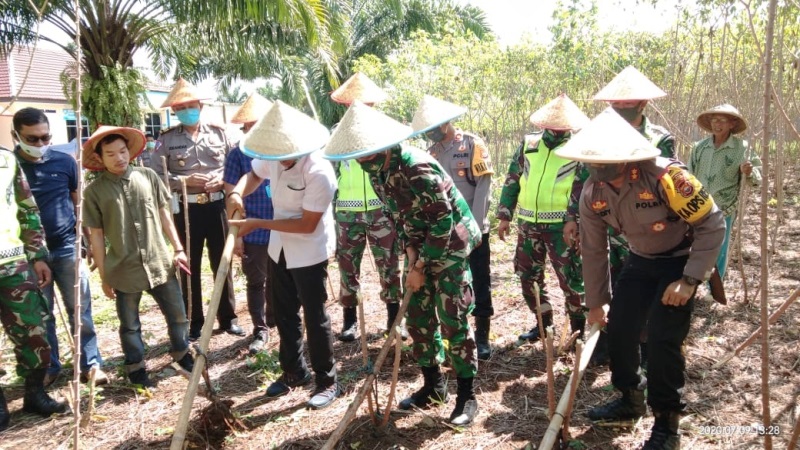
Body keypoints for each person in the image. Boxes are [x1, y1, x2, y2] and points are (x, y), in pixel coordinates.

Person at [556, 108, 725, 450]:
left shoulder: (666, 177)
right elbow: (593, 247)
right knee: (618, 329)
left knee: (663, 340)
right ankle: (629, 397)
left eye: (608, 163)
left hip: (679, 261)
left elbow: (712, 224)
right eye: (594, 163)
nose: (600, 171)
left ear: (627, 159)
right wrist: (597, 301)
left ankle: (667, 424)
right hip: (640, 260)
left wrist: (690, 281)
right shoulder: (592, 192)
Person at [324, 102, 482, 426]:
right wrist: (411, 255)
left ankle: (467, 396)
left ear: (382, 148)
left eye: (366, 155)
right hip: (421, 246)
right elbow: (401, 218)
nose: (362, 163)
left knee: (453, 318)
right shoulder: (378, 173)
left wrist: (421, 266)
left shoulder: (417, 167)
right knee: (419, 317)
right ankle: (434, 386)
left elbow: (443, 221)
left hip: (450, 245)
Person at [227, 101, 340, 410]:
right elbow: (253, 174)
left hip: (309, 250)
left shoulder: (319, 172)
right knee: (283, 312)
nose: (277, 159)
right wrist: (237, 192)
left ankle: (327, 381)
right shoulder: (275, 158)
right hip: (280, 248)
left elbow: (306, 224)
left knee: (314, 317)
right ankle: (293, 371)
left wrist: (258, 223)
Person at [82, 126, 194, 388]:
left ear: (129, 151)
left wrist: (178, 249)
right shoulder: (95, 192)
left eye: (122, 151)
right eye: (110, 154)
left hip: (159, 261)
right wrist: (104, 274)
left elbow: (165, 215)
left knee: (178, 315)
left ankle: (181, 353)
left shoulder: (148, 176)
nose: (118, 157)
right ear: (100, 158)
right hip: (123, 267)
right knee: (130, 325)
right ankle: (136, 366)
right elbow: (96, 236)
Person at [12, 107, 108, 387]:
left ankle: (90, 364)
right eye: (32, 139)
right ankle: (50, 367)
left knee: (80, 308)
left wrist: (87, 241)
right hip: (29, 255)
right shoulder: (9, 167)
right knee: (42, 314)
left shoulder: (65, 163)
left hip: (67, 246)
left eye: (46, 138)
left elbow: (79, 204)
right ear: (15, 135)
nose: (41, 145)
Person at [151, 78, 244, 340]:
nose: (186, 110)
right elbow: (156, 176)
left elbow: (234, 166)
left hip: (217, 206)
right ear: (174, 112)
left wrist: (222, 180)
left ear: (201, 106)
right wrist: (183, 181)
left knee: (222, 261)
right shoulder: (166, 140)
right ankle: (194, 321)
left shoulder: (221, 133)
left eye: (191, 106)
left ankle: (228, 318)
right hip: (186, 211)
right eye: (181, 108)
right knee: (189, 266)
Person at [496, 94, 589, 343]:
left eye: (562, 126)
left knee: (571, 279)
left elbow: (582, 186)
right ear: (543, 125)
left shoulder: (578, 148)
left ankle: (578, 332)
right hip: (528, 224)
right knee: (528, 277)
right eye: (553, 125)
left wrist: (574, 219)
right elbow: (513, 177)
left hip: (563, 227)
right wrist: (505, 214)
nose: (557, 130)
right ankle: (543, 323)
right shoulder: (529, 144)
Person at [412, 95, 494, 360]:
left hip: (473, 227)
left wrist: (478, 226)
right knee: (454, 284)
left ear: (446, 123)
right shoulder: (431, 152)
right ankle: (456, 336)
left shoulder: (472, 144)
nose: (431, 133)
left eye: (434, 127)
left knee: (480, 281)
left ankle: (482, 337)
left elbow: (483, 186)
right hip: (445, 232)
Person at [328, 73, 403, 342]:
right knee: (347, 265)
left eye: (365, 103)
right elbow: (329, 173)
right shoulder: (335, 133)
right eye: (353, 103)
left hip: (381, 209)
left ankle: (395, 320)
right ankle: (349, 322)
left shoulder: (387, 131)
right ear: (346, 105)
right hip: (347, 212)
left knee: (389, 265)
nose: (359, 107)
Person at [0, 144, 69, 431]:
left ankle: (34, 393)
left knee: (34, 329)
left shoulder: (6, 158)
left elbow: (27, 209)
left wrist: (37, 254)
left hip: (12, 262)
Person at [223, 93, 276, 355]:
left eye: (260, 124)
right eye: (250, 125)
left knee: (283, 280)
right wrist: (237, 235)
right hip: (252, 230)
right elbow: (231, 194)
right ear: (244, 128)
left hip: (282, 226)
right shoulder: (237, 154)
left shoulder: (282, 148)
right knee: (257, 282)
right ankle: (261, 329)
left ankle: (279, 320)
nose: (255, 129)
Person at [689, 104, 761, 284]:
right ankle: (696, 281)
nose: (717, 124)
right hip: (698, 206)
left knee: (719, 249)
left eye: (722, 120)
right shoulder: (700, 147)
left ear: (732, 124)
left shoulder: (742, 148)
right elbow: (688, 176)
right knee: (696, 245)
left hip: (725, 207)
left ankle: (713, 285)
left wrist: (749, 171)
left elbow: (757, 180)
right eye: (714, 120)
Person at [594, 65, 676, 159]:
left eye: (628, 103)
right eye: (616, 103)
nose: (621, 107)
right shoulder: (599, 135)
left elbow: (669, 169)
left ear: (643, 104)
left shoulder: (660, 137)